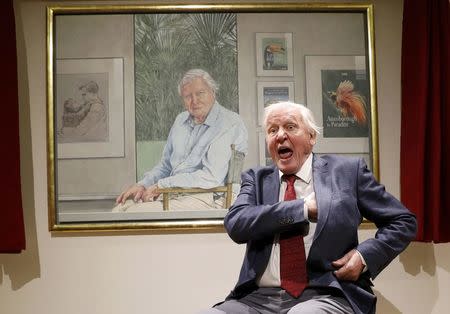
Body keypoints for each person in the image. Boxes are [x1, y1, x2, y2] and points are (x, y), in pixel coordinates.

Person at [201, 101, 416, 314]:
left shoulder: (347, 172)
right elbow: (236, 223)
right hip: (257, 299)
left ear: (312, 137)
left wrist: (363, 257)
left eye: (290, 127)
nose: (280, 136)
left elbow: (403, 221)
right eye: (272, 130)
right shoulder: (256, 179)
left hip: (326, 294)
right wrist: (302, 209)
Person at [115, 69, 248, 210]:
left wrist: (162, 185)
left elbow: (211, 177)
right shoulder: (180, 120)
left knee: (135, 212)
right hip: (174, 194)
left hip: (211, 197)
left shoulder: (229, 123)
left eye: (200, 93)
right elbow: (166, 166)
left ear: (213, 93)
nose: (194, 101)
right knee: (120, 208)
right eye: (188, 96)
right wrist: (142, 184)